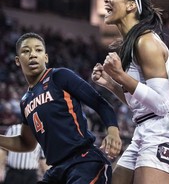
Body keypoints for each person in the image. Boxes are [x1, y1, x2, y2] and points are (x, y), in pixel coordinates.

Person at [91, 0, 169, 184]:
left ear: (131, 6)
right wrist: (111, 84)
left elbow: (162, 105)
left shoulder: (146, 42)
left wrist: (120, 76)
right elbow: (141, 103)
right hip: (145, 126)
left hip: (165, 128)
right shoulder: (130, 44)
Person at [0, 32, 122, 184]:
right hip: (56, 170)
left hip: (84, 162)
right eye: (26, 51)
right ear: (18, 61)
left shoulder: (59, 76)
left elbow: (99, 102)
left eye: (38, 50)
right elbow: (26, 143)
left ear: (46, 57)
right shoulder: (25, 101)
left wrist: (113, 131)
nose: (32, 55)